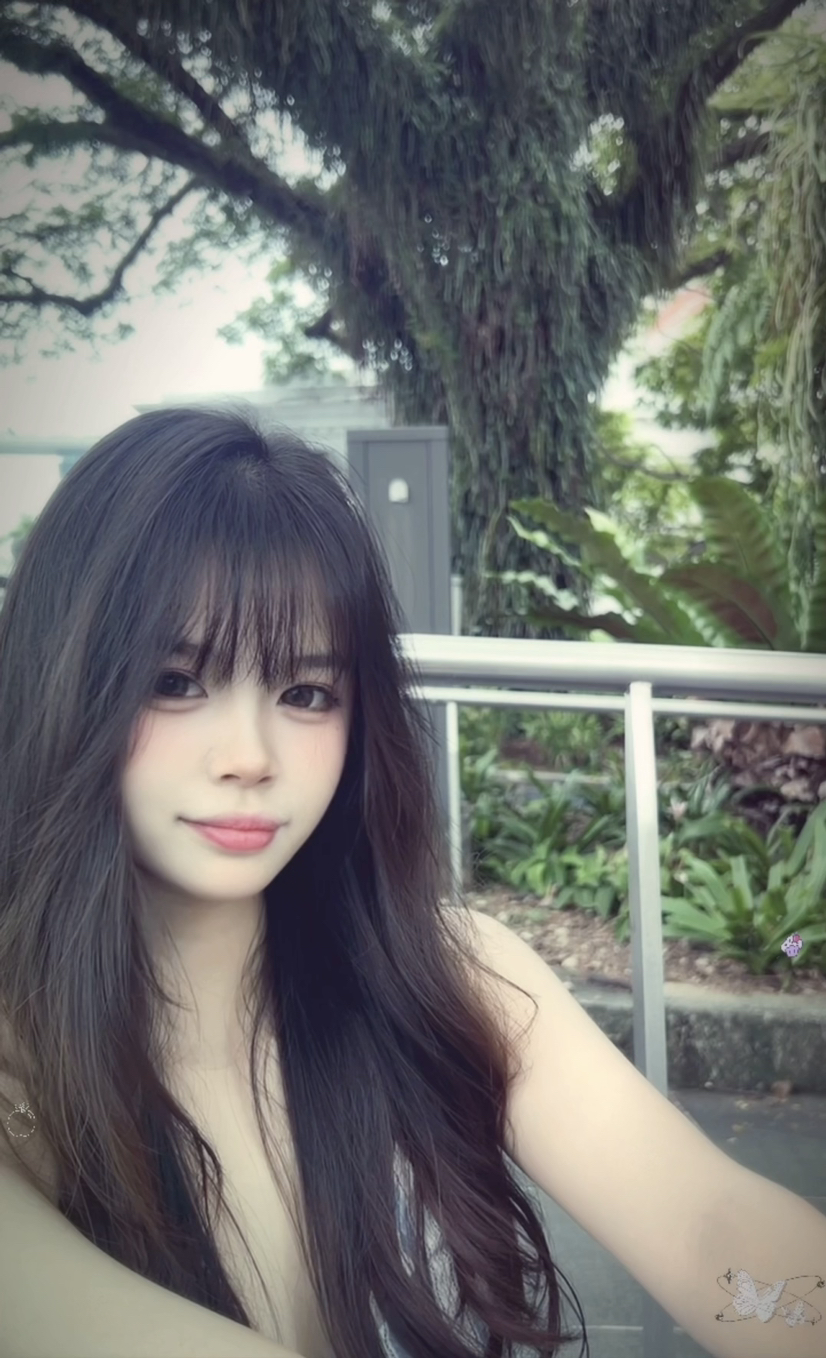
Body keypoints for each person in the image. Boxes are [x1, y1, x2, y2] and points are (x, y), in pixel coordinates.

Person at [0, 407, 824, 1358]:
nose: (249, 756)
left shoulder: (448, 977)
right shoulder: (22, 1068)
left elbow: (708, 1228)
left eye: (306, 693)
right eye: (176, 681)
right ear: (66, 676)